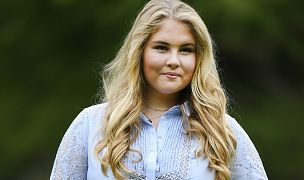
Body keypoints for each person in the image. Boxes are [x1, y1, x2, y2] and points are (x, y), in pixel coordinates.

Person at [50, 0, 268, 179]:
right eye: (161, 48)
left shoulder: (222, 131)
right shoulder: (91, 125)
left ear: (198, 58)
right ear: (139, 52)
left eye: (185, 50)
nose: (174, 60)